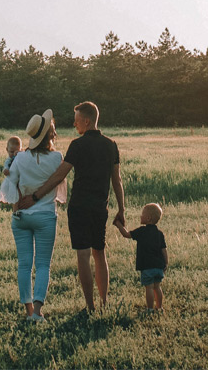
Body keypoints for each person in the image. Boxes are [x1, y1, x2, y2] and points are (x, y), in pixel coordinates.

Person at [17, 101, 124, 311]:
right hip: (101, 207)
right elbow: (117, 180)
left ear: (86, 120)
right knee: (100, 253)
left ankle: (90, 306)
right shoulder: (111, 145)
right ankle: (104, 302)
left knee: (83, 255)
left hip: (80, 208)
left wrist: (36, 196)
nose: (75, 125)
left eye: (76, 121)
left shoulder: (77, 145)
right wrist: (121, 209)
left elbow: (59, 175)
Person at [0, 109, 66, 322]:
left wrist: (16, 208)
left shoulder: (20, 158)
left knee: (24, 264)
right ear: (50, 135)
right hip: (46, 215)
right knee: (43, 264)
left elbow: (11, 185)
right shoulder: (57, 157)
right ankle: (37, 312)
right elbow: (59, 184)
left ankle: (28, 311)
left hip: (21, 216)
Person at [116, 203, 168, 312]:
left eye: (142, 214)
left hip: (147, 266)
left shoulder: (141, 231)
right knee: (157, 287)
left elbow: (126, 234)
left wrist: (118, 224)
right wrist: (166, 263)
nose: (140, 216)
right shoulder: (160, 234)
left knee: (149, 287)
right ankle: (159, 307)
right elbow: (164, 250)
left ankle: (149, 309)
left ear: (148, 218)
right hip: (159, 266)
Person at [0, 136, 23, 205]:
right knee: (14, 198)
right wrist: (5, 170)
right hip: (12, 181)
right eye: (11, 152)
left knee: (22, 196)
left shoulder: (22, 157)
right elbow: (6, 165)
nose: (14, 154)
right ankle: (15, 210)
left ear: (21, 150)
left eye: (17, 151)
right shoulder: (9, 159)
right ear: (7, 150)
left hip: (21, 181)